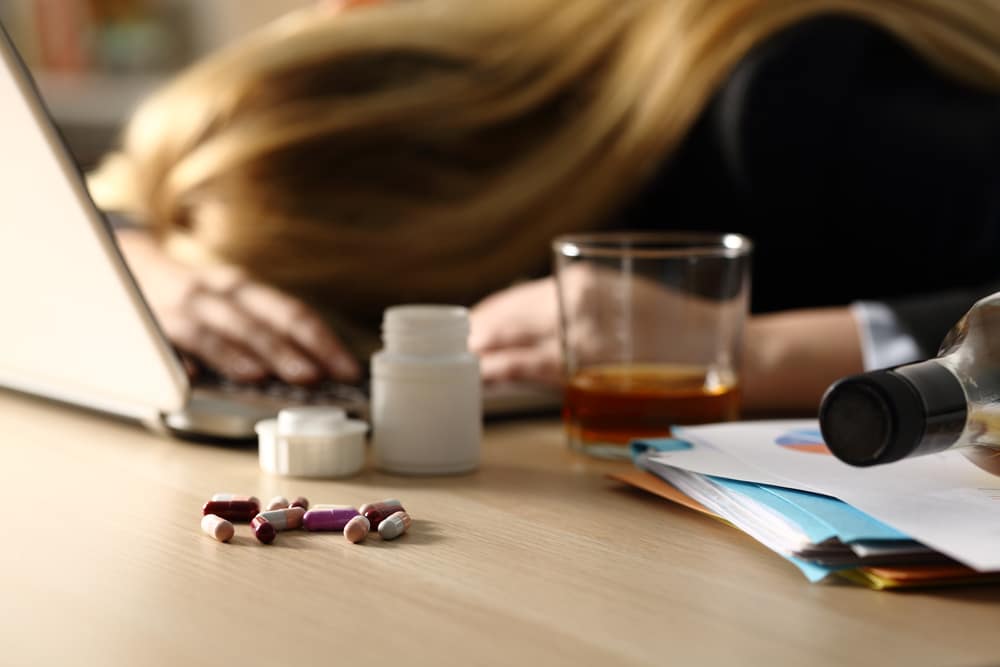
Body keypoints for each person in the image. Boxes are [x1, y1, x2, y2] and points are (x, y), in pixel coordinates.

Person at [89, 0, 1000, 414]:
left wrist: (745, 350)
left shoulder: (787, 93)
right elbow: (120, 193)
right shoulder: (556, 106)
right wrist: (140, 269)